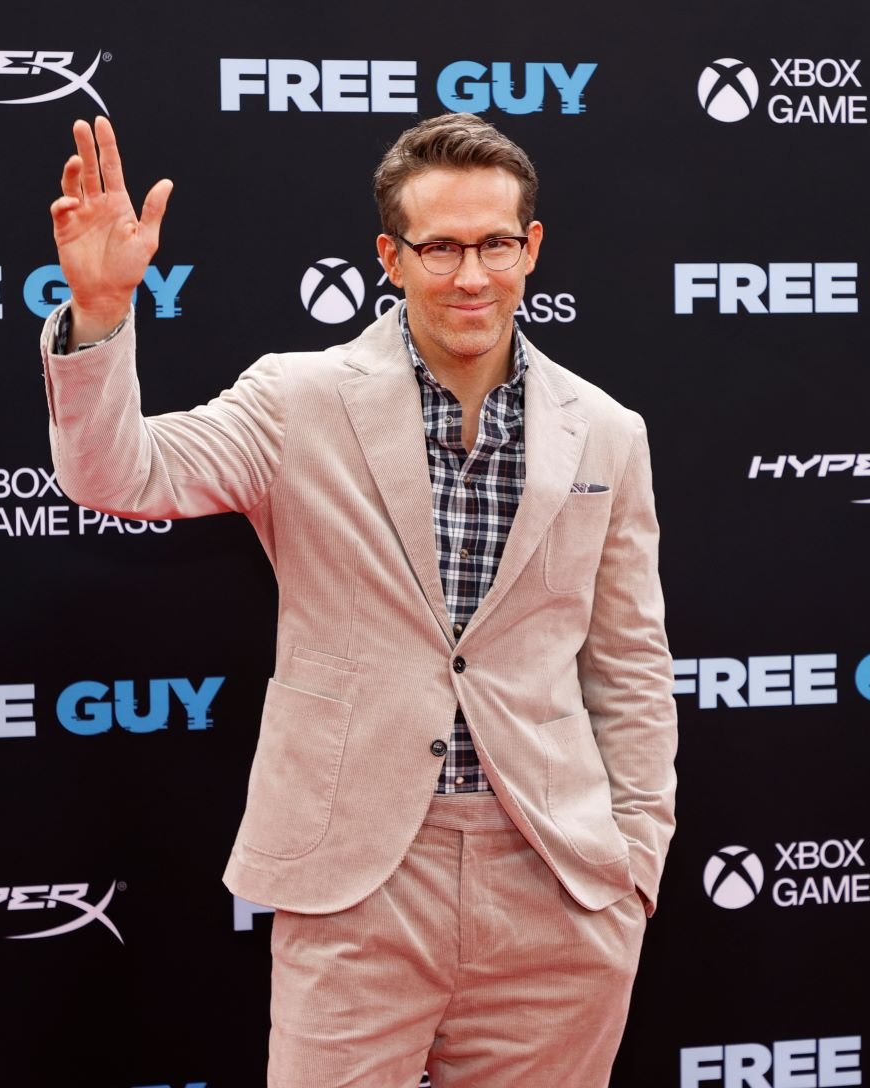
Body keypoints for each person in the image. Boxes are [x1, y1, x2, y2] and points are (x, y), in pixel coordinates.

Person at [41, 112, 678, 1088]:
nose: (471, 275)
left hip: (556, 884)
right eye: (440, 247)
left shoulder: (605, 431)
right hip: (359, 882)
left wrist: (634, 862)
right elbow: (120, 474)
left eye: (496, 243)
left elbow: (629, 661)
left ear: (532, 247)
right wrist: (99, 312)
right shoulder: (296, 398)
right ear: (389, 255)